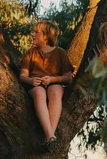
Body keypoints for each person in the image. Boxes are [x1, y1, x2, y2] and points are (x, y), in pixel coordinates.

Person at [19, 20, 73, 151]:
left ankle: (49, 136)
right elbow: (22, 76)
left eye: (36, 32)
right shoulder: (30, 53)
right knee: (39, 93)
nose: (33, 34)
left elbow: (68, 77)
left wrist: (54, 79)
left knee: (55, 91)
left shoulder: (60, 53)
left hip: (54, 84)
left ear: (46, 36)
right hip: (36, 86)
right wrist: (31, 81)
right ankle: (50, 135)